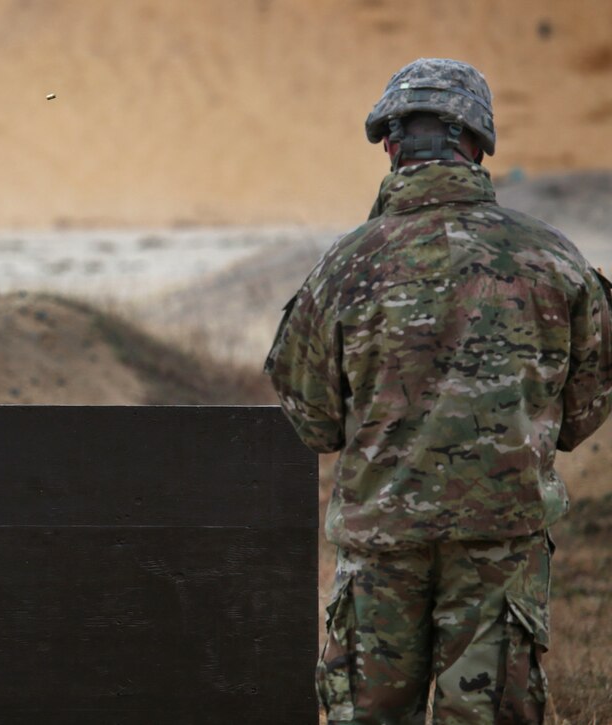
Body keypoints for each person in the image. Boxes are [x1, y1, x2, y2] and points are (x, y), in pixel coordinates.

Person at [266, 58, 612, 723]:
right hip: (500, 552)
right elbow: (583, 413)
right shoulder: (554, 258)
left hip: (380, 551)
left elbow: (313, 422)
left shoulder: (346, 263)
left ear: (391, 145)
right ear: (478, 144)